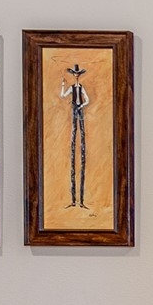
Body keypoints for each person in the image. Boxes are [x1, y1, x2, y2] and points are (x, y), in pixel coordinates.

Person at [60, 63, 89, 208]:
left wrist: (82, 105)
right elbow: (62, 95)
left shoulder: (81, 87)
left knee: (82, 140)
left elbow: (87, 99)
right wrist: (62, 85)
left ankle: (81, 201)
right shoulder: (71, 88)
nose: (76, 75)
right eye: (75, 74)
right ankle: (73, 200)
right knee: (73, 140)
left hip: (80, 110)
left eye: (78, 74)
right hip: (74, 110)